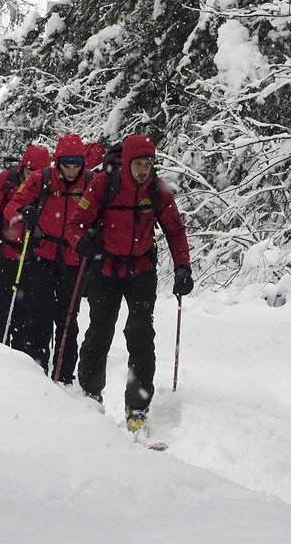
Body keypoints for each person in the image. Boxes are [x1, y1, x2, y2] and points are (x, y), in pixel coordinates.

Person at [64, 134, 194, 433]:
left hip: (141, 271)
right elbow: (75, 224)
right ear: (126, 162)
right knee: (99, 331)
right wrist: (81, 242)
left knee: (140, 335)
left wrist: (182, 267)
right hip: (105, 269)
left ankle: (138, 406)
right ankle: (91, 392)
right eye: (138, 163)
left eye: (148, 163)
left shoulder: (157, 191)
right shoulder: (101, 185)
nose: (143, 169)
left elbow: (175, 230)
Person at [4, 134, 91, 383]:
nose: (72, 171)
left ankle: (63, 377)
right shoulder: (40, 179)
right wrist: (24, 211)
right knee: (38, 316)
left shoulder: (90, 183)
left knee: (67, 320)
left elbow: (101, 213)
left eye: (76, 166)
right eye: (67, 165)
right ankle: (37, 375)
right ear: (57, 162)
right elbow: (14, 205)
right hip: (42, 255)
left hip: (73, 260)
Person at [0, 144, 51, 346]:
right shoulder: (6, 181)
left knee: (26, 313)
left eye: (37, 173)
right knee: (2, 308)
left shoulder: (48, 185)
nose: (32, 178)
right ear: (22, 167)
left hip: (34, 257)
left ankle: (18, 362)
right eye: (29, 172)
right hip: (3, 253)